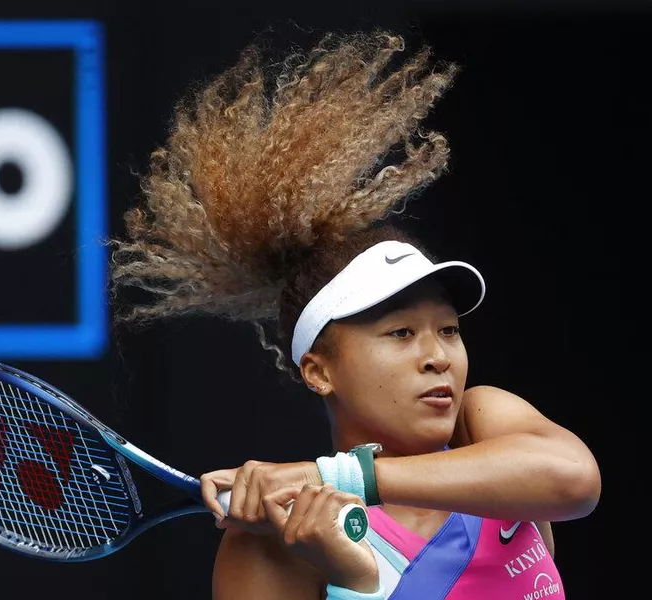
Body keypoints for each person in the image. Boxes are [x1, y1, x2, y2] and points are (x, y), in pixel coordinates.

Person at [108, 28, 601, 600]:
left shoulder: (484, 426)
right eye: (400, 334)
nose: (437, 357)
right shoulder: (272, 542)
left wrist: (338, 478)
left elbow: (577, 482)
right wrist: (361, 586)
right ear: (319, 370)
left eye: (448, 330)